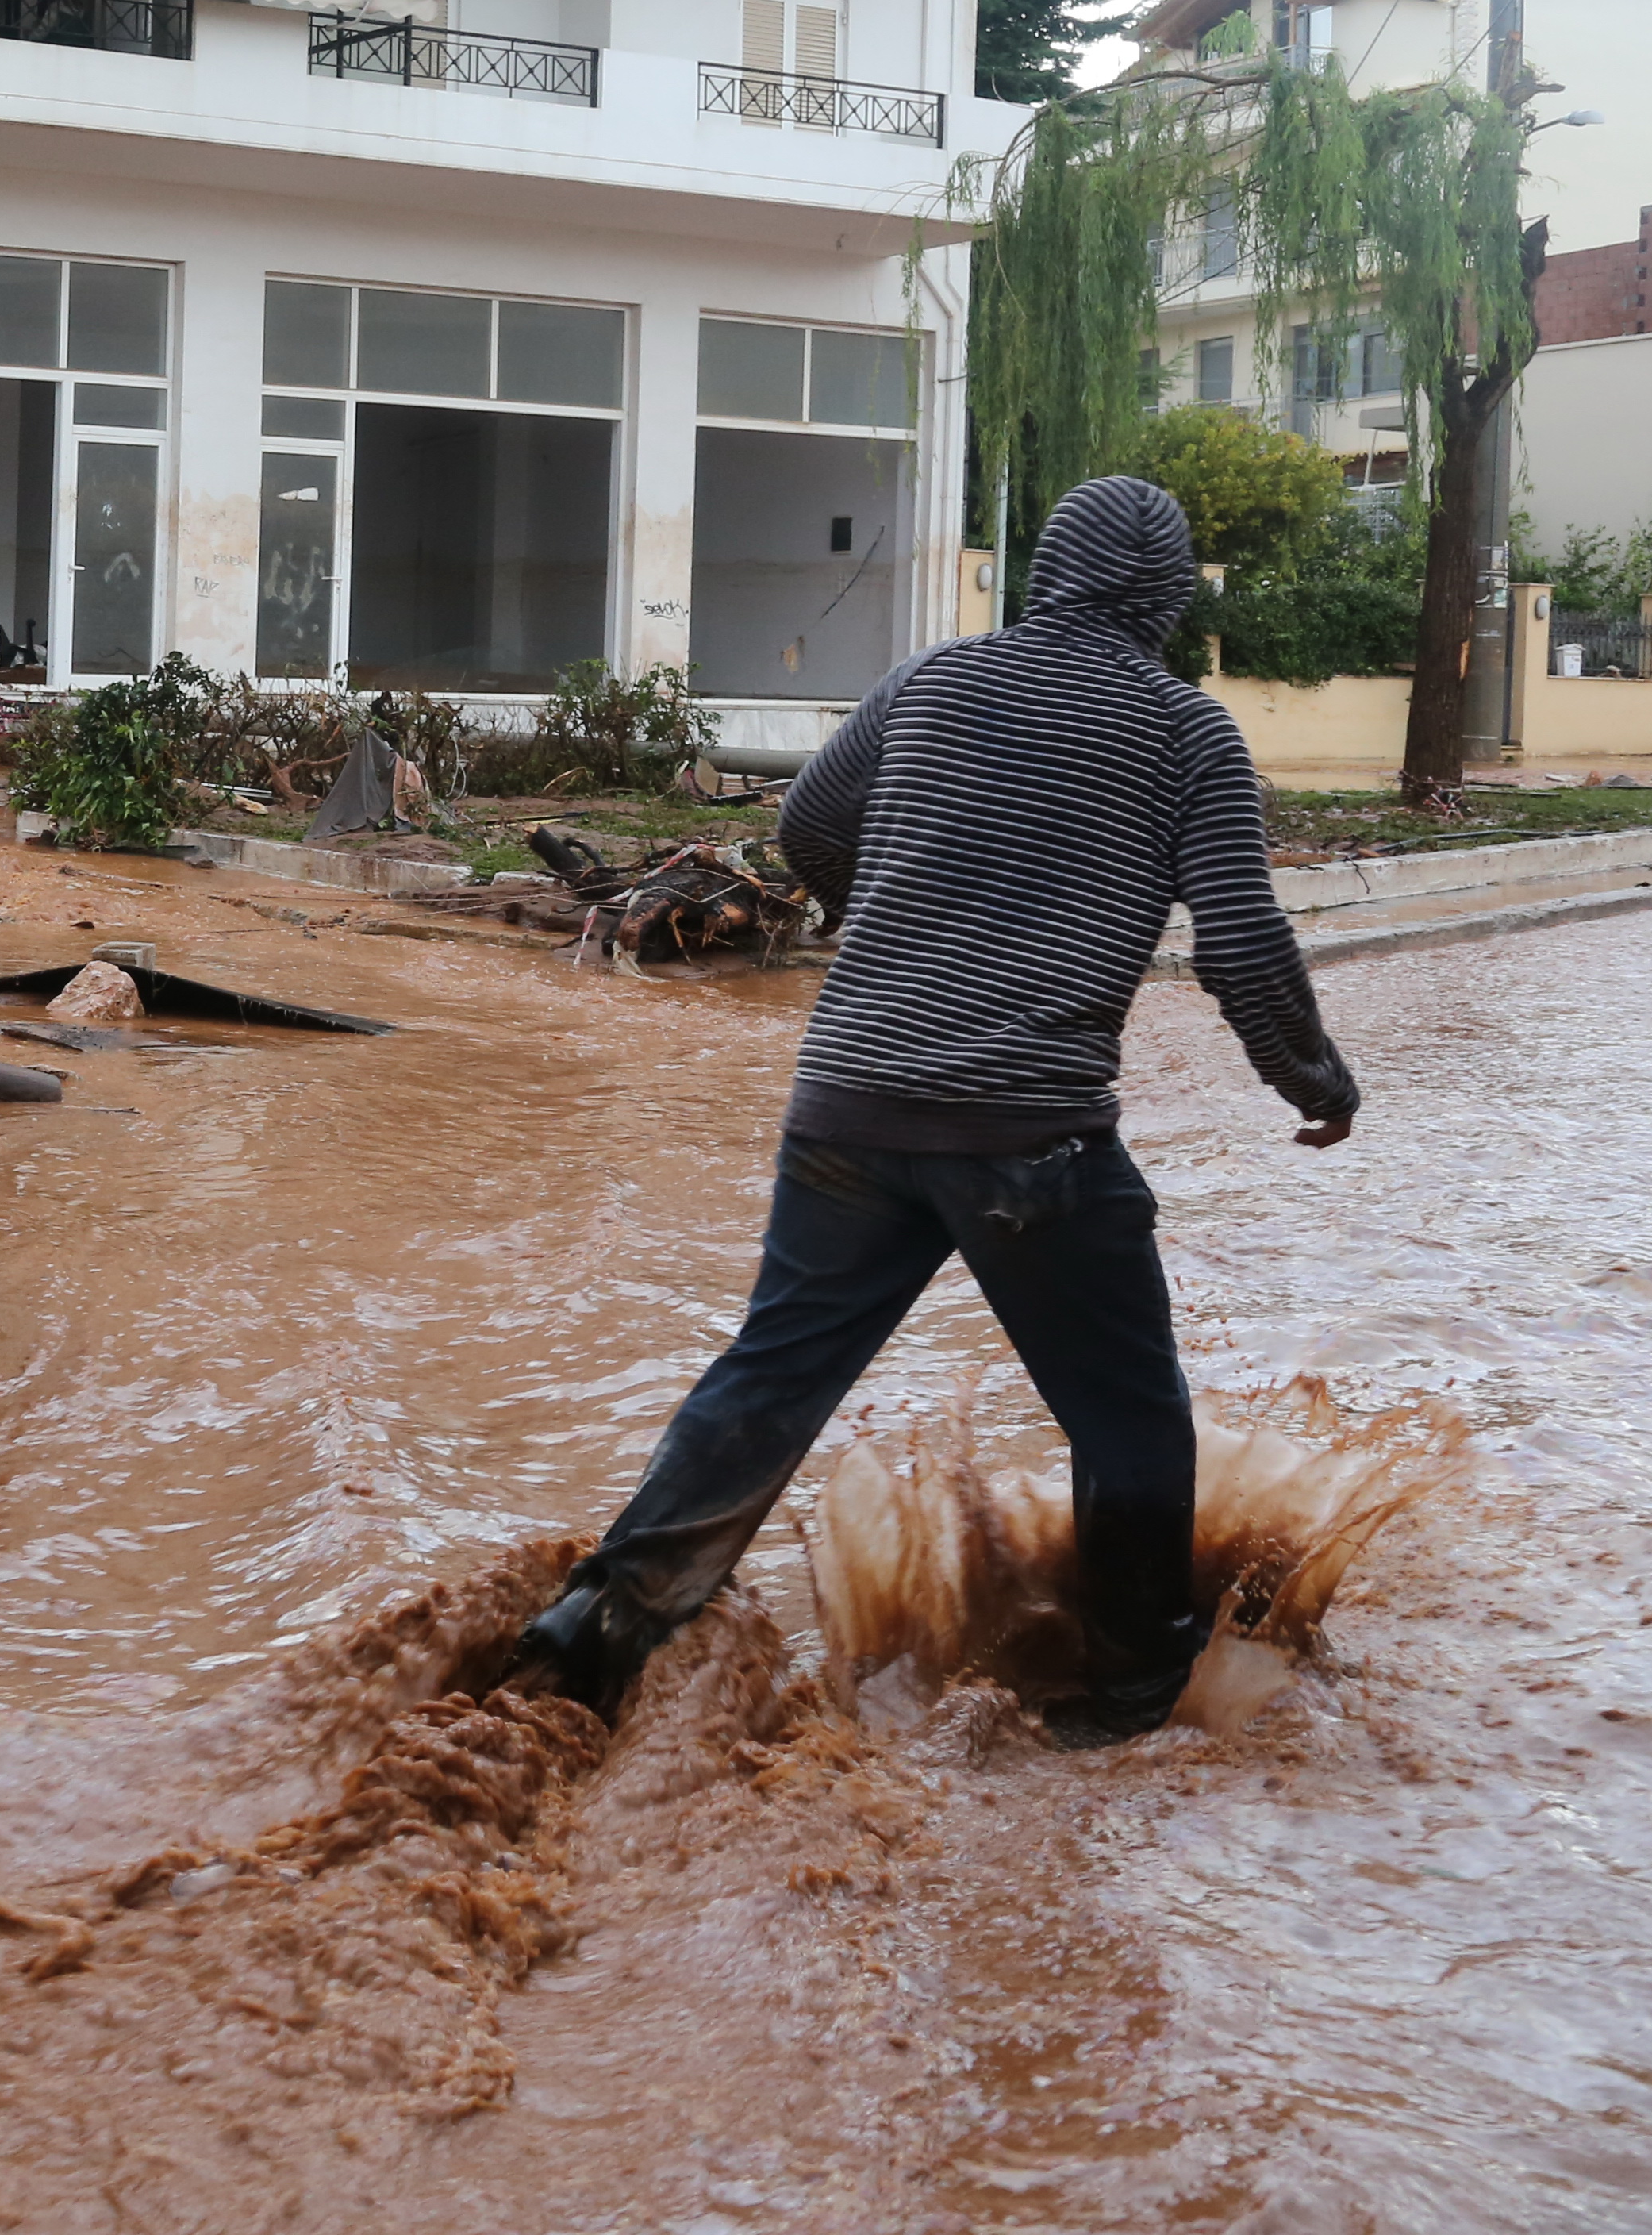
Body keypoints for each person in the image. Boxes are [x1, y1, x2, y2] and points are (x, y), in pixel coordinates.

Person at [512, 474, 1360, 1744]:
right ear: (1168, 599)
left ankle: (605, 1619)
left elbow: (808, 825)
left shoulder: (931, 684)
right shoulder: (1186, 733)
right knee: (1130, 1416)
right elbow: (1240, 940)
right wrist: (1316, 1079)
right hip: (1027, 1134)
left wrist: (890, 922)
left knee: (774, 1373)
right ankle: (1129, 1699)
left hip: (849, 1099)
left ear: (1049, 576)